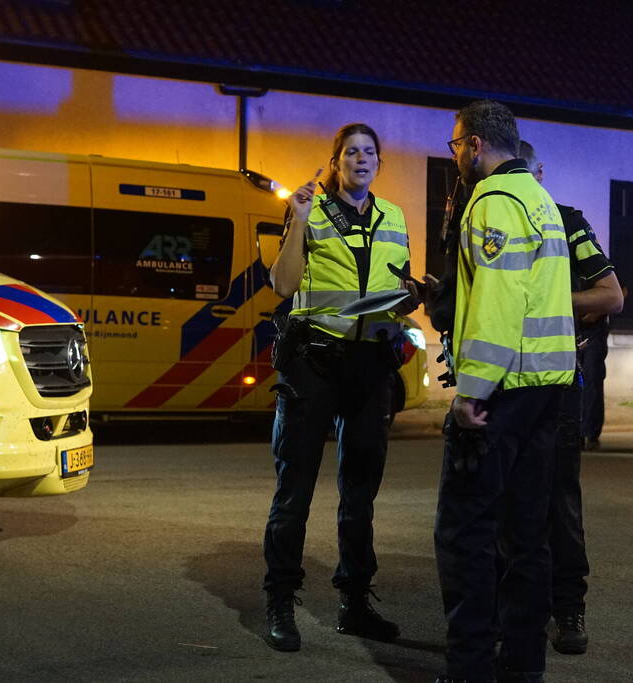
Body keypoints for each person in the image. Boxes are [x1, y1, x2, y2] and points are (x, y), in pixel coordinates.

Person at [433, 100, 576, 683]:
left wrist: (471, 391)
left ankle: (468, 671)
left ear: (472, 144)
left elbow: (497, 302)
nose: (455, 157)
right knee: (529, 539)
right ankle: (523, 669)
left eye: (454, 147)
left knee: (465, 536)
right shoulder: (542, 201)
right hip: (548, 392)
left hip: (501, 396)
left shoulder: (492, 202)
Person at [262, 123, 419, 652]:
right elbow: (283, 286)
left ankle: (354, 601)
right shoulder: (308, 208)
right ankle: (280, 599)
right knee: (295, 488)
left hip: (370, 365)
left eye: (370, 152)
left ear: (379, 163)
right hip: (314, 362)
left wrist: (410, 299)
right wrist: (297, 222)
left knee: (360, 493)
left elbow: (397, 286)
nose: (361, 159)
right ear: (334, 161)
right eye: (351, 152)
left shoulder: (394, 216)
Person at [518, 140, 622, 655]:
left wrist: (548, 303)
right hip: (501, 382)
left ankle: (568, 607)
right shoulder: (481, 217)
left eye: (525, 171)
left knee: (560, 501)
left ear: (538, 170)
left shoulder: (565, 221)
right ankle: (514, 610)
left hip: (557, 382)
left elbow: (611, 296)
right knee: (502, 503)